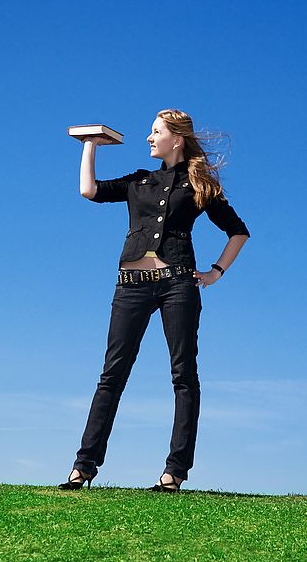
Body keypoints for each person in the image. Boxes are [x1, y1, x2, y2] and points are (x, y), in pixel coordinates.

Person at [58, 108, 250, 492]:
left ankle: (173, 473)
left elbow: (238, 232)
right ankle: (83, 467)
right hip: (131, 285)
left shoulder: (199, 187)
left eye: (155, 132)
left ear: (175, 140)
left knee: (183, 375)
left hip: (178, 285)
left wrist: (216, 272)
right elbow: (89, 190)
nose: (149, 138)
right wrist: (89, 146)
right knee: (112, 373)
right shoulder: (138, 180)